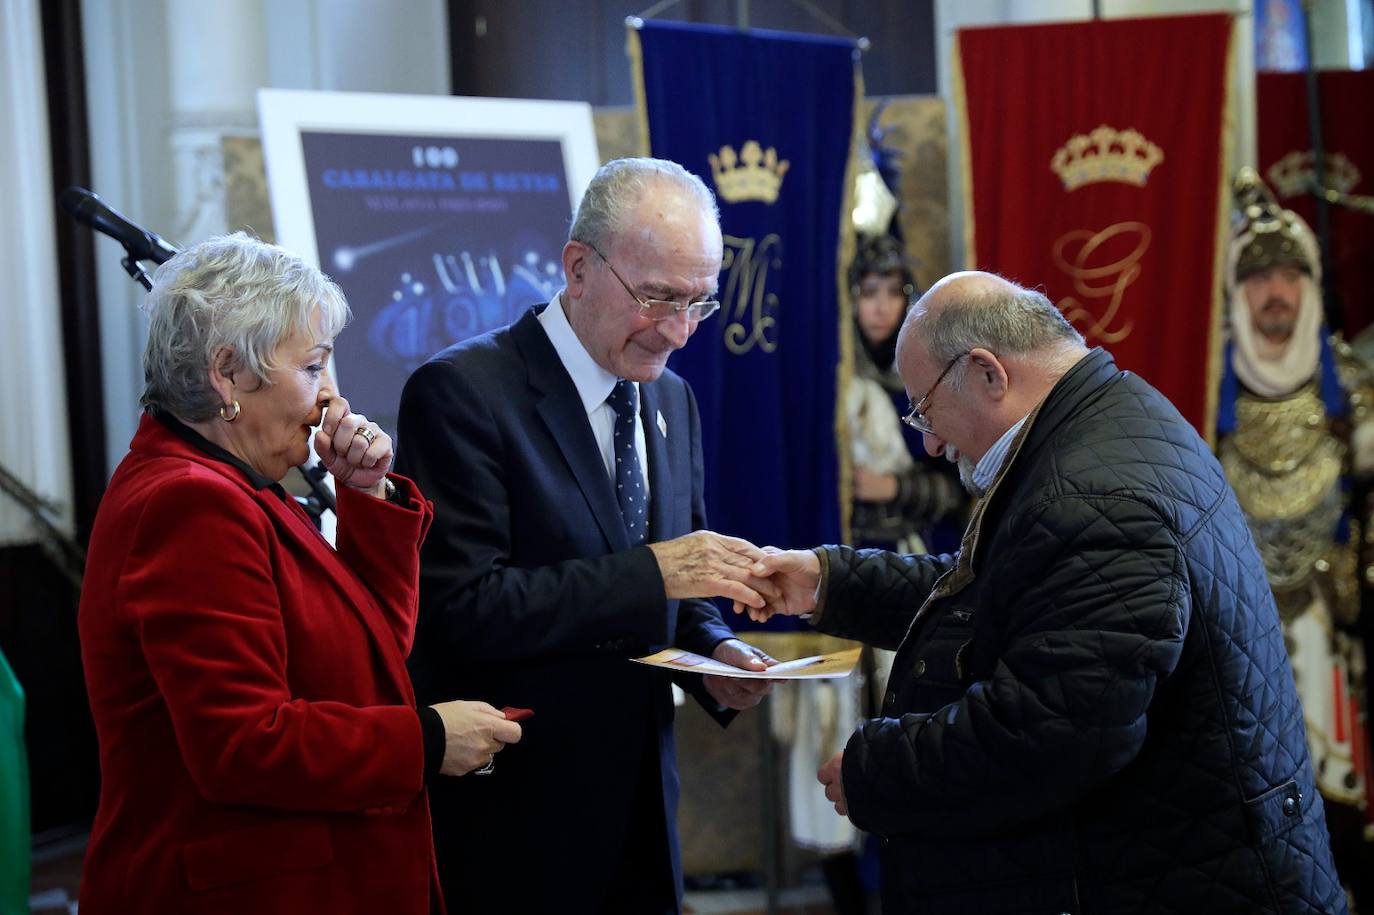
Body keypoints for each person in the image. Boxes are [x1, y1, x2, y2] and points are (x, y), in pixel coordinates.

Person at [741, 271, 1346, 913]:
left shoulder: (1092, 494)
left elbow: (1052, 732)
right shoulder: (1102, 420)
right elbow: (1004, 591)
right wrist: (828, 582)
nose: (931, 442)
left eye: (925, 409)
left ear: (988, 374)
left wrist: (876, 770)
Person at [78, 234, 522, 915]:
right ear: (228, 374)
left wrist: (365, 494)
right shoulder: (191, 503)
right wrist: (428, 739)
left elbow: (376, 650)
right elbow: (242, 744)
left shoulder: (234, 484)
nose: (333, 399)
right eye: (313, 367)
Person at [395, 157, 777, 914]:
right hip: (520, 819)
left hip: (644, 806)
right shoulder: (463, 393)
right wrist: (656, 574)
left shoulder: (674, 398)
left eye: (698, 301)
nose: (679, 330)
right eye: (658, 296)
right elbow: (463, 608)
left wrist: (715, 653)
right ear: (578, 267)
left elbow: (681, 581)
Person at [1219, 167, 1374, 902]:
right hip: (1239, 643)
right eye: (1258, 277)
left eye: (1288, 275)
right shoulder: (1201, 394)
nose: (1274, 292)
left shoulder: (1357, 389)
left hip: (1340, 633)